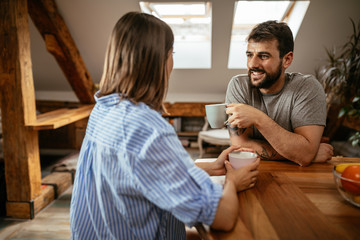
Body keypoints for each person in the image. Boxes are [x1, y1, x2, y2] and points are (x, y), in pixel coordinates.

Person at [70, 12, 259, 239]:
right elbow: (223, 216)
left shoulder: (103, 108)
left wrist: (212, 168)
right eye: (172, 53)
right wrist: (232, 182)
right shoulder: (149, 131)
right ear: (159, 60)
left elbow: (140, 173)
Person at [225, 20, 334, 167]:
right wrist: (302, 154)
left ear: (287, 60)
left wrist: (258, 118)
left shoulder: (307, 88)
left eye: (263, 56)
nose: (252, 64)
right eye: (250, 55)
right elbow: (240, 147)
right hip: (250, 172)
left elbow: (305, 154)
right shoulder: (238, 86)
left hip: (298, 179)